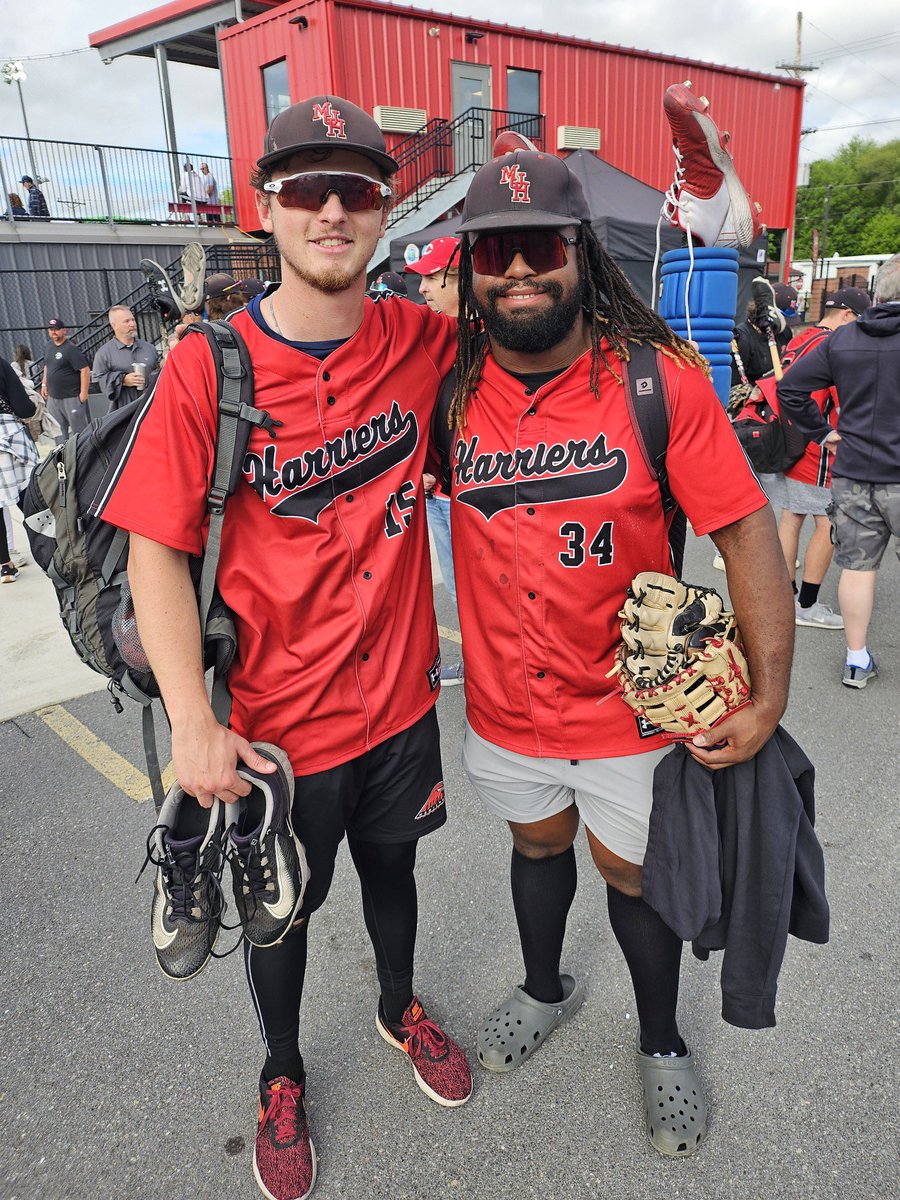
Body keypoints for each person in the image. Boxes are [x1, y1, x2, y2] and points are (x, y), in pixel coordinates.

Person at [98, 94, 471, 1200]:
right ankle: (281, 1073)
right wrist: (197, 726)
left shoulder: (422, 343)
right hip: (276, 732)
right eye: (306, 187)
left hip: (401, 702)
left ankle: (399, 1006)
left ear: (383, 211)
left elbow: (547, 346)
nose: (331, 209)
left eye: (353, 188)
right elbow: (153, 558)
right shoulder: (209, 369)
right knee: (283, 916)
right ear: (266, 208)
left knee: (395, 874)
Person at [445, 150, 793, 1156]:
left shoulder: (657, 377)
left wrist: (766, 697)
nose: (518, 271)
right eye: (494, 251)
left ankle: (661, 1038)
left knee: (631, 876)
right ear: (469, 268)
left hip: (630, 714)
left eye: (541, 246)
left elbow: (747, 531)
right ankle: (544, 987)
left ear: (580, 252)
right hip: (505, 714)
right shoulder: (454, 385)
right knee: (536, 847)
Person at [778, 255, 900, 689]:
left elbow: (789, 388)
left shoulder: (843, 340)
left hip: (853, 472)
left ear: (878, 294)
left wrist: (823, 433)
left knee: (859, 569)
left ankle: (856, 659)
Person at [762, 287, 871, 630]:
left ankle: (783, 595)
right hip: (819, 446)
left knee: (791, 517)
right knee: (828, 524)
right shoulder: (835, 346)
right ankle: (805, 605)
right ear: (848, 316)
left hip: (786, 441)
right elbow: (845, 400)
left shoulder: (799, 338)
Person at [404, 236, 464, 683]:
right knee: (462, 592)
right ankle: (481, 661)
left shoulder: (500, 342)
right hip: (436, 493)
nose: (422, 288)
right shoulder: (428, 337)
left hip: (474, 496)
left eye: (432, 276)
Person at [0, 357, 38, 582]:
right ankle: (51, 549)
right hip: (8, 438)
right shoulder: (2, 365)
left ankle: (5, 566)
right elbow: (25, 409)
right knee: (27, 498)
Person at [91, 306, 159, 410]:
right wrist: (122, 380)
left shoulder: (148, 348)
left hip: (152, 407)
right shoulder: (104, 353)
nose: (132, 324)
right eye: (126, 321)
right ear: (114, 325)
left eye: (133, 319)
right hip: (124, 411)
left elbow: (159, 372)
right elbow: (97, 383)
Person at [41, 318, 90, 441]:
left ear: (64, 330)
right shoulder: (49, 346)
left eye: (56, 329)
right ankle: (61, 456)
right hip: (53, 398)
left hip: (71, 397)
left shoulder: (71, 349)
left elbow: (84, 370)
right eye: (51, 330)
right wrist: (44, 384)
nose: (54, 332)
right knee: (57, 431)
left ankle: (82, 456)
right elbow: (47, 365)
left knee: (79, 431)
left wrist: (83, 393)